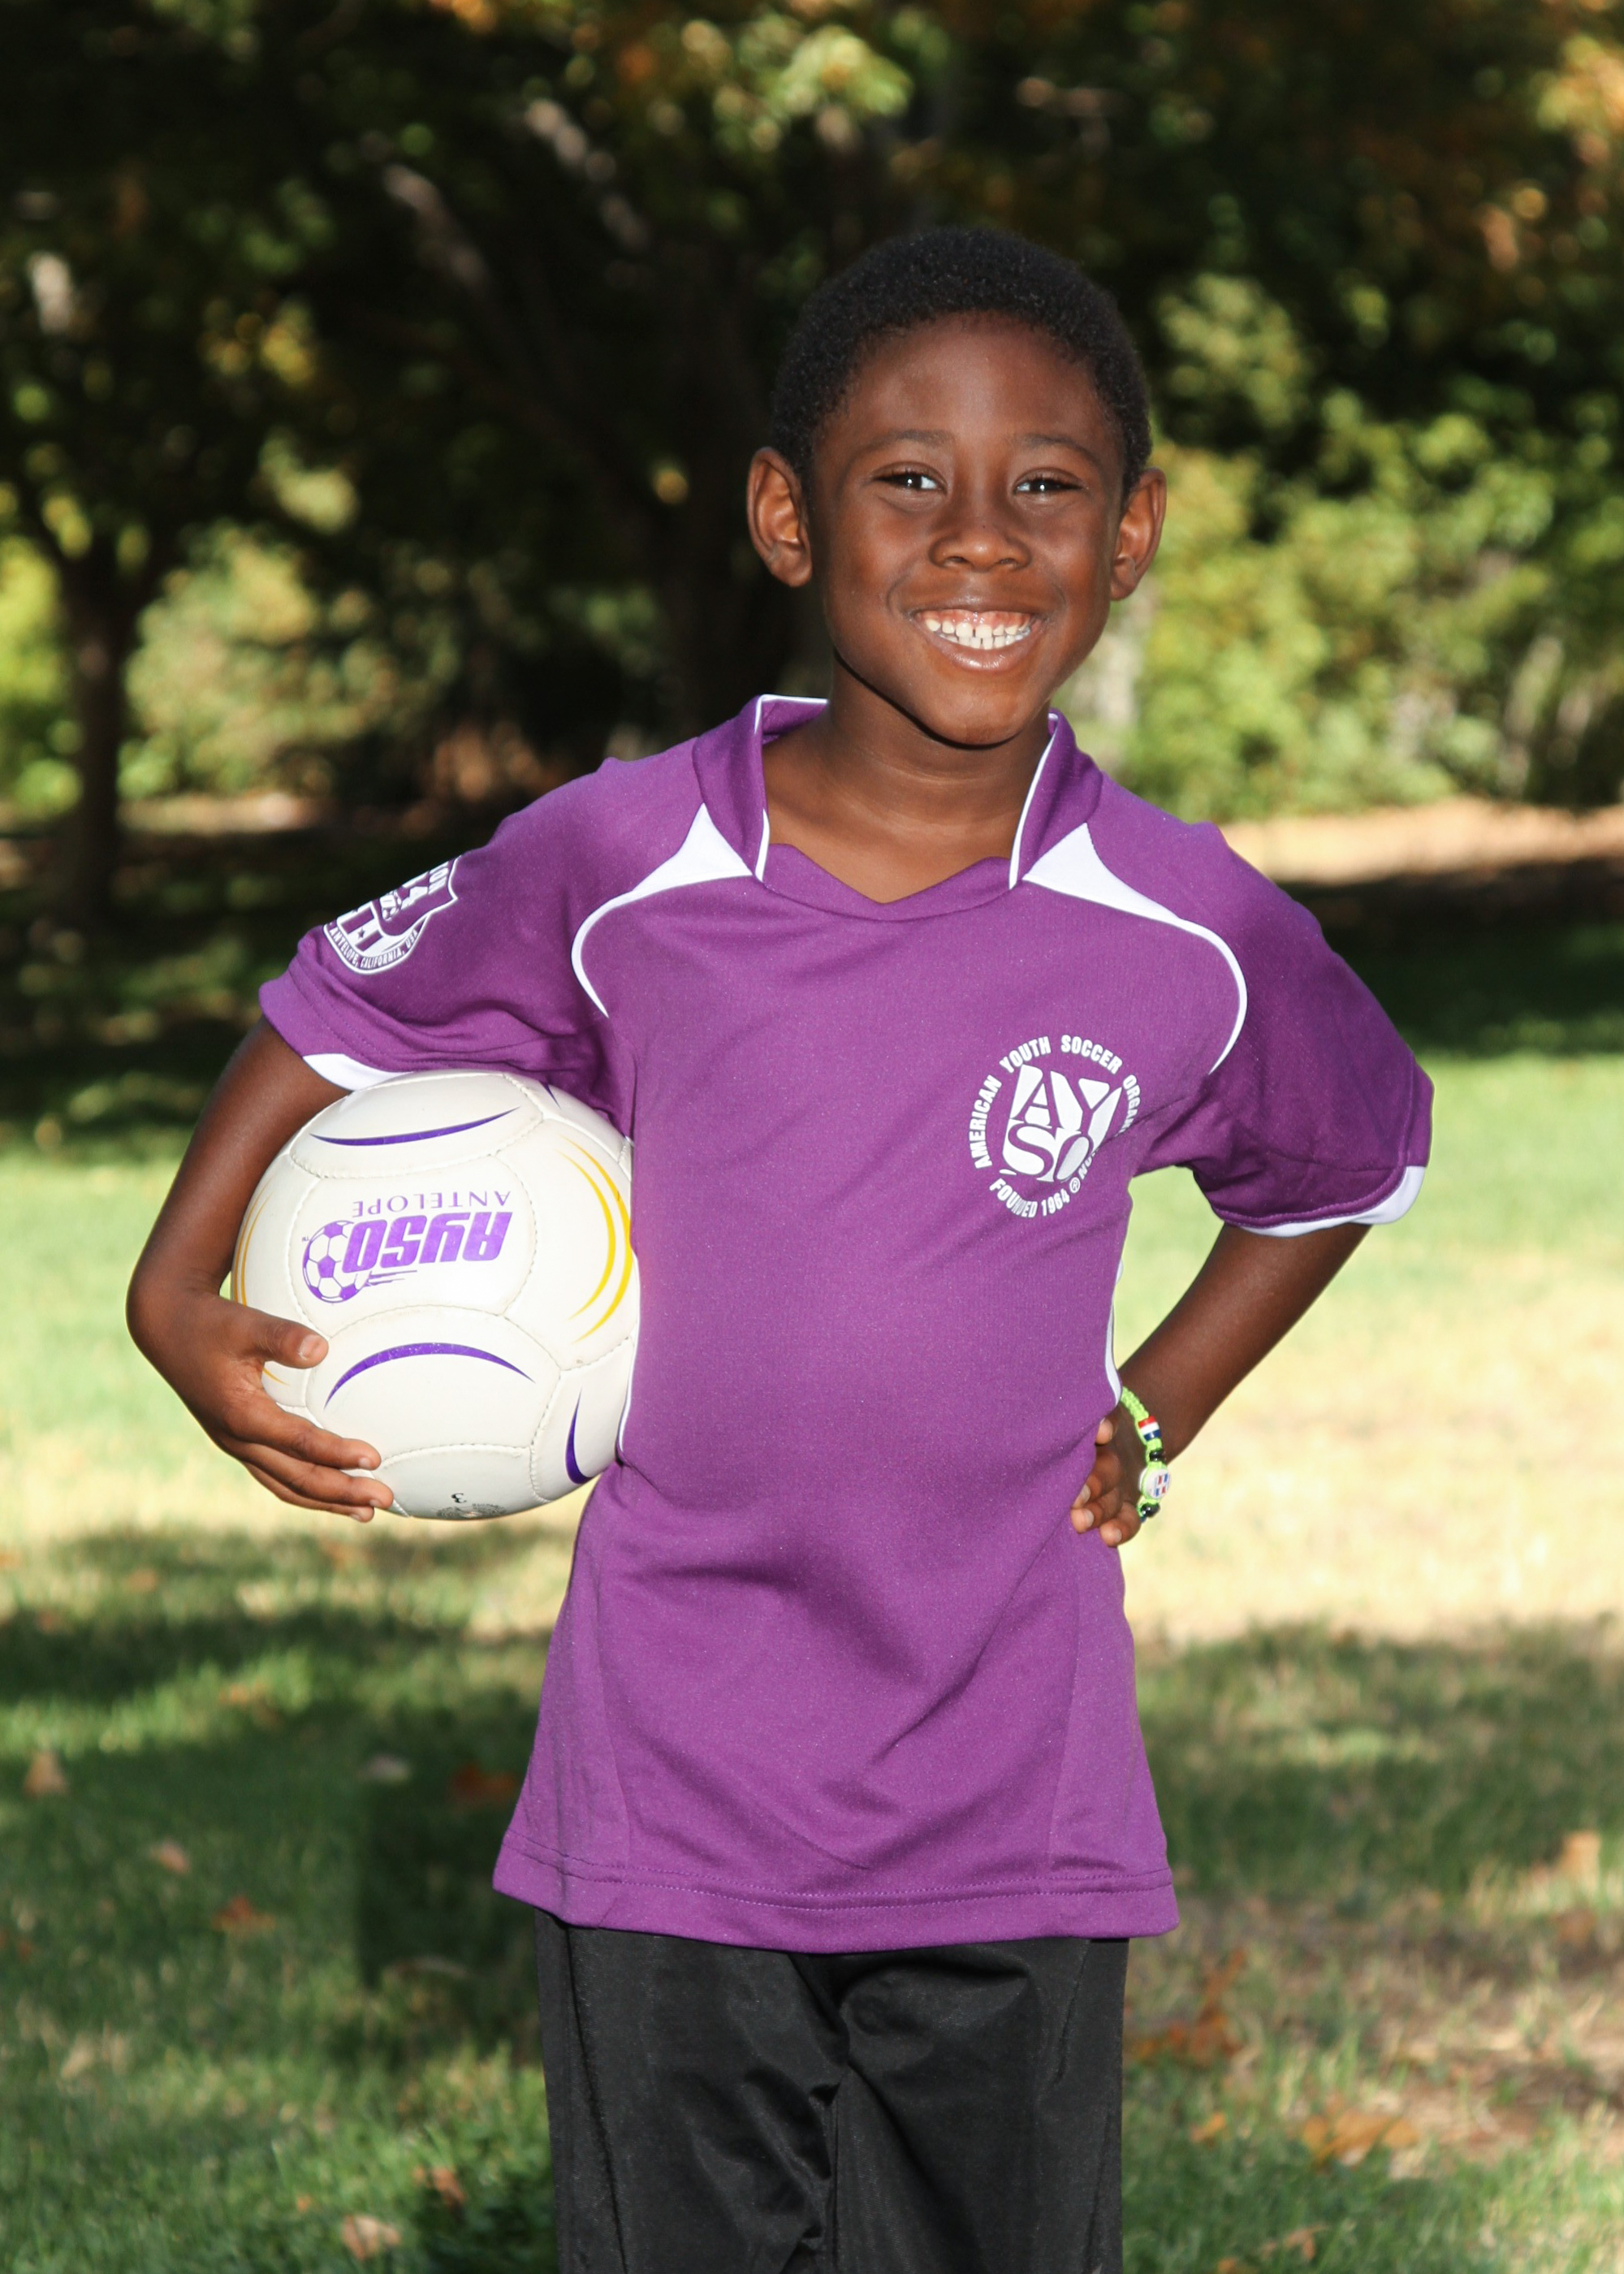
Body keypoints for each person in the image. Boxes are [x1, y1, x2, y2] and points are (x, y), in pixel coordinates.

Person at [128, 228, 1432, 2274]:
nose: (979, 535)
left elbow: (1340, 1158)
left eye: (1047, 482)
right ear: (784, 514)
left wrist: (1156, 1402)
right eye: (909, 478)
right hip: (671, 1789)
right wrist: (172, 1281)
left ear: (1132, 531)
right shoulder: (621, 858)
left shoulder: (1190, 926)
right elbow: (340, 1000)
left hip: (1011, 1796)